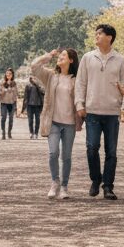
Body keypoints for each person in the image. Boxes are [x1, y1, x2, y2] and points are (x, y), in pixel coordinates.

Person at [75, 23, 124, 200]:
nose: (96, 36)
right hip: (92, 111)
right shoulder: (87, 57)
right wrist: (79, 104)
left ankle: (108, 186)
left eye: (100, 34)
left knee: (111, 151)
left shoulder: (120, 60)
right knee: (91, 147)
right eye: (96, 33)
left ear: (109, 38)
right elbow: (80, 83)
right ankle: (95, 179)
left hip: (112, 112)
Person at [30, 48, 81, 199]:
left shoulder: (76, 79)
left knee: (66, 156)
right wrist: (48, 56)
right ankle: (55, 182)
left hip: (69, 123)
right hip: (53, 122)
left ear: (71, 60)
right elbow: (34, 67)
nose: (60, 57)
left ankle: (64, 187)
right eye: (60, 55)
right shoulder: (51, 76)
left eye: (64, 55)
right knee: (53, 153)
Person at [23, 74, 44, 138]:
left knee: (37, 120)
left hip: (38, 105)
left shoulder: (39, 84)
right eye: (32, 77)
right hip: (29, 105)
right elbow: (25, 96)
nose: (33, 78)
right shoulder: (28, 85)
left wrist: (37, 85)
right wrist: (23, 107)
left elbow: (43, 92)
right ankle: (31, 132)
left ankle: (36, 133)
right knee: (30, 120)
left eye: (35, 76)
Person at [0, 68, 19, 138]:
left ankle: (9, 132)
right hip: (4, 103)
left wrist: (12, 91)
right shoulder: (2, 82)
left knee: (11, 119)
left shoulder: (14, 83)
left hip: (12, 103)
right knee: (3, 118)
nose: (8, 75)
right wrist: (4, 90)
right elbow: (0, 93)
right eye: (7, 73)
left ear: (12, 75)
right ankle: (3, 133)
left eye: (10, 73)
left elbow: (17, 93)